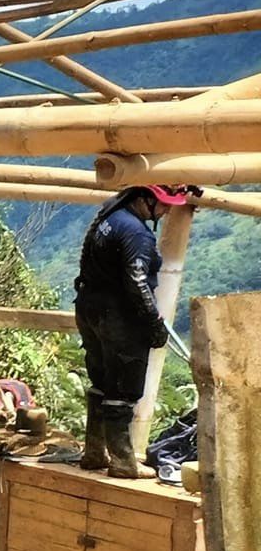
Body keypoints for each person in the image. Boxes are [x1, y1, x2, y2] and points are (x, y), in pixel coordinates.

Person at [74, 184, 197, 478]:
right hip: (118, 317)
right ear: (144, 200)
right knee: (124, 388)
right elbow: (137, 281)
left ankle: (94, 451)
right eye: (164, 204)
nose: (168, 210)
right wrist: (153, 323)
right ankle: (123, 461)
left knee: (101, 379)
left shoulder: (109, 213)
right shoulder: (136, 233)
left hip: (89, 307)